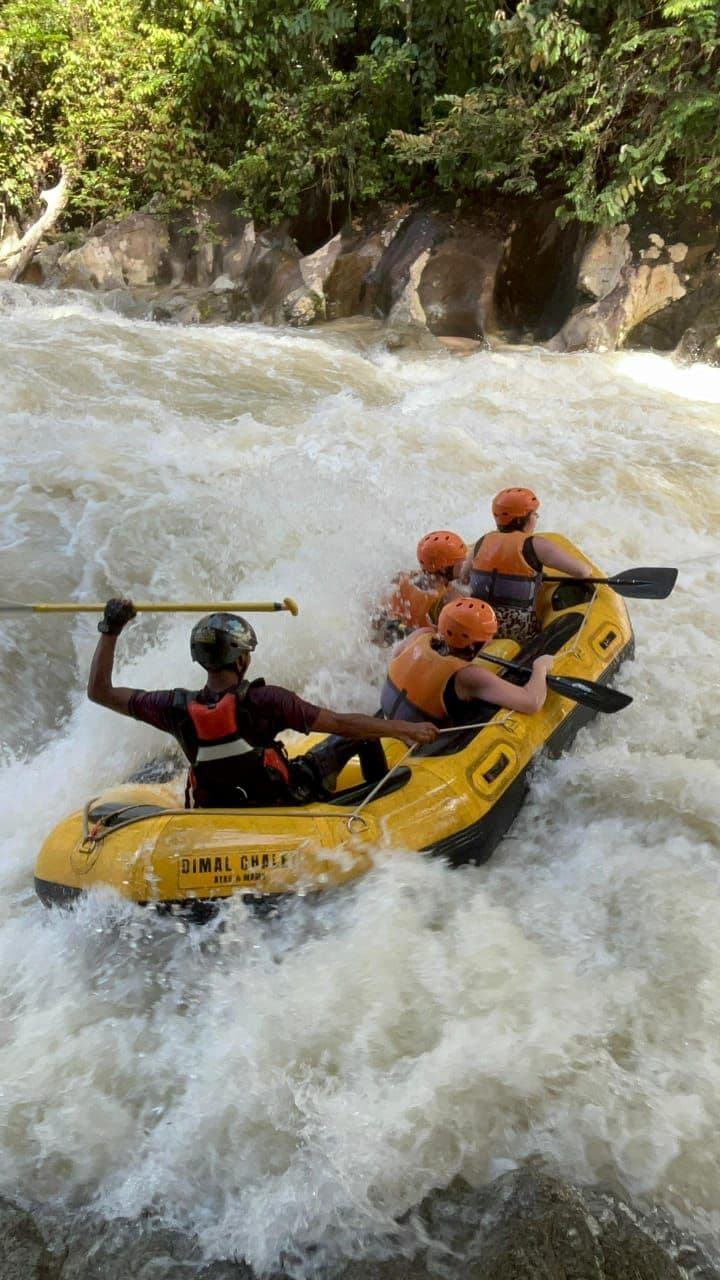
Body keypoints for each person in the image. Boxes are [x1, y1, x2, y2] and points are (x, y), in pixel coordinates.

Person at [87, 599, 438, 809]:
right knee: (363, 730)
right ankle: (379, 805)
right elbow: (344, 724)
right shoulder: (266, 700)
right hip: (281, 799)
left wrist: (111, 628)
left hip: (220, 807)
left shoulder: (172, 707)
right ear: (241, 660)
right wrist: (401, 727)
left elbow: (100, 691)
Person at [380, 597, 554, 728]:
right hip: (415, 740)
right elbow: (532, 702)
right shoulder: (468, 676)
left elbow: (397, 654)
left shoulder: (421, 634)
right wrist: (540, 667)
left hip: (388, 719)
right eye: (488, 638)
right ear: (474, 644)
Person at [461, 487, 591, 643]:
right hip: (513, 627)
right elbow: (582, 571)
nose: (536, 518)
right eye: (534, 514)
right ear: (523, 518)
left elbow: (464, 577)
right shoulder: (535, 545)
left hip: (476, 620)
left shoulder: (482, 542)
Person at [372, 530, 468, 645]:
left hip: (392, 643)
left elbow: (377, 614)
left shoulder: (402, 577)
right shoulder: (449, 598)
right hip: (415, 648)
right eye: (459, 563)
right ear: (443, 568)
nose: (463, 564)